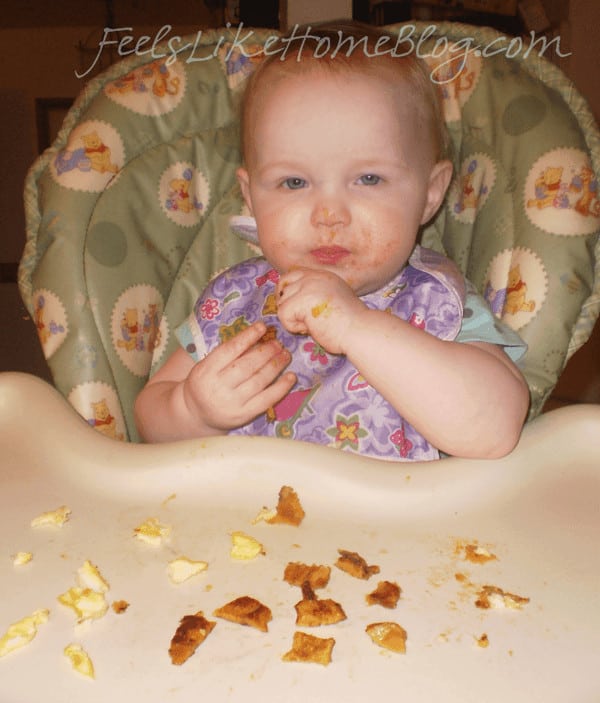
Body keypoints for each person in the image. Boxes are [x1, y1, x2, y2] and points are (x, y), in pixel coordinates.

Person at [134, 21, 530, 460]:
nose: (328, 215)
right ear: (251, 197)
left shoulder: (435, 302)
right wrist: (194, 409)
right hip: (242, 520)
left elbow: (495, 429)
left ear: (430, 194)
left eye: (368, 178)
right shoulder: (235, 302)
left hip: (396, 525)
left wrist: (354, 325)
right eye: (293, 182)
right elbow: (150, 416)